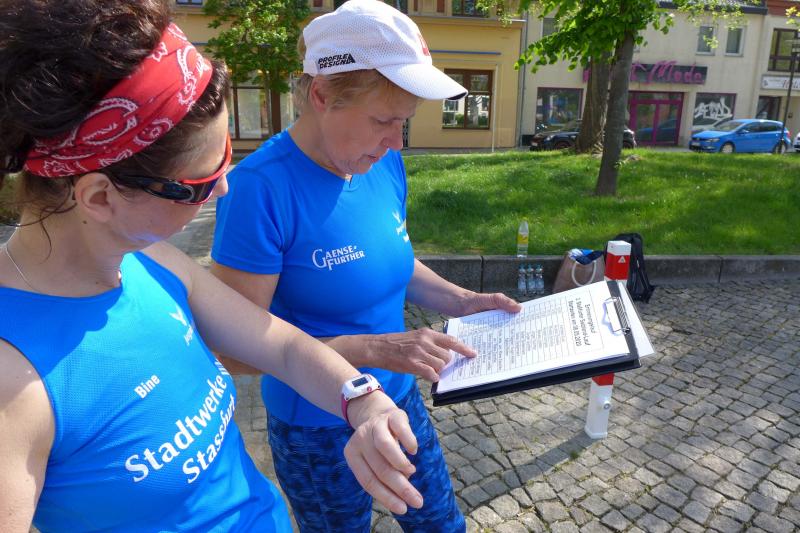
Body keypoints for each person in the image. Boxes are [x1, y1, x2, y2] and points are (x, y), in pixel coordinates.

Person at [0, 1, 426, 531]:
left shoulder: (149, 259)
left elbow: (283, 347)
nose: (224, 187)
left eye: (225, 156)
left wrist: (363, 402)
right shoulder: (13, 382)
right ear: (100, 197)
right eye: (200, 182)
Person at [210, 1, 522, 530]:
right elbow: (235, 349)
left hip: (398, 399)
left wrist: (464, 301)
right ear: (321, 95)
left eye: (404, 122)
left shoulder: (384, 163)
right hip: (316, 427)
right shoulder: (258, 189)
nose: (396, 141)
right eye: (382, 120)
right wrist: (375, 349)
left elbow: (392, 261)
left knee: (443, 525)